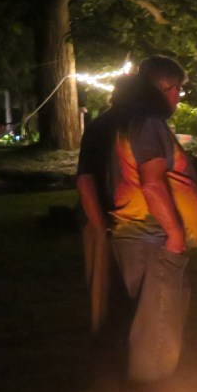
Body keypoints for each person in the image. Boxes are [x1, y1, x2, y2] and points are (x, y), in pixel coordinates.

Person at [108, 56, 197, 392]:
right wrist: (175, 233)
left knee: (146, 325)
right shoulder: (148, 123)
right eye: (177, 88)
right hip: (153, 238)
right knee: (159, 329)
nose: (179, 96)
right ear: (166, 87)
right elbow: (151, 181)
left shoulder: (127, 119)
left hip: (138, 236)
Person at [76, 74, 134, 335]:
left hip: (123, 222)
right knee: (105, 288)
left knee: (121, 290)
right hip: (104, 218)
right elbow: (86, 180)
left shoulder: (128, 125)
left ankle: (119, 335)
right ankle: (107, 339)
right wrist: (100, 226)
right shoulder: (106, 127)